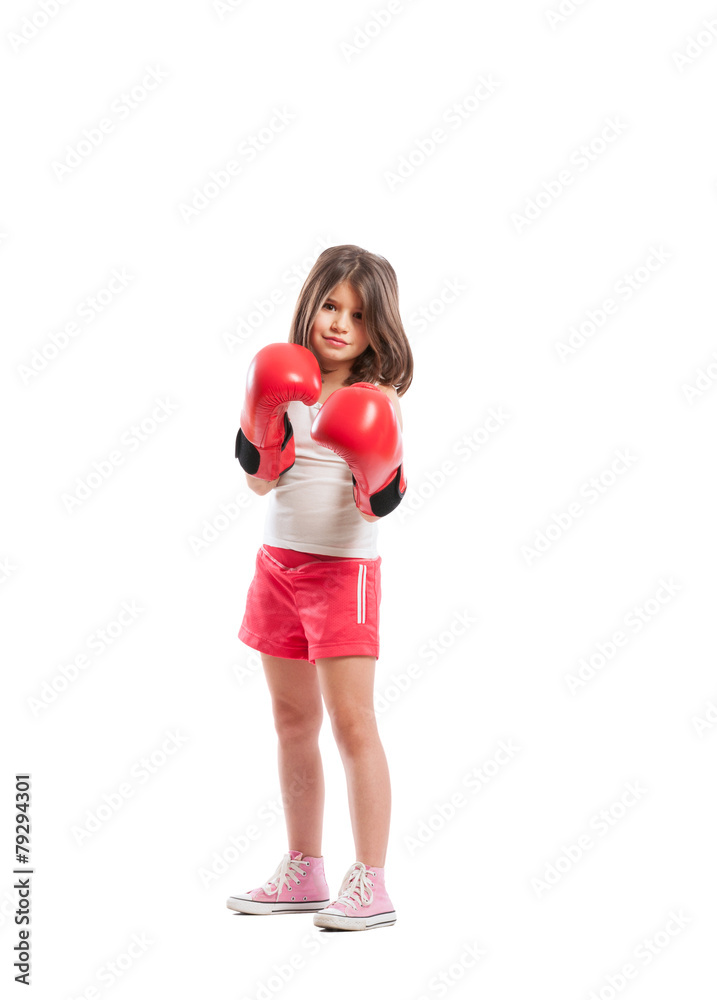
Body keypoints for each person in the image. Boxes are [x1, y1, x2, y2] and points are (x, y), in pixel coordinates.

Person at [226, 244, 413, 931]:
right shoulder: (284, 380)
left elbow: (377, 504)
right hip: (276, 566)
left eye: (357, 316)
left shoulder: (376, 399)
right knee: (291, 721)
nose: (339, 323)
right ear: (311, 305)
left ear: (376, 330)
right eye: (330, 305)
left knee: (352, 722)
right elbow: (258, 480)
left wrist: (371, 463)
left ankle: (371, 881)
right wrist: (262, 424)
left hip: (343, 575)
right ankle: (304, 868)